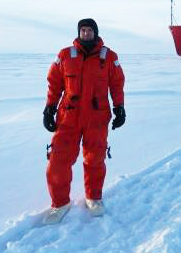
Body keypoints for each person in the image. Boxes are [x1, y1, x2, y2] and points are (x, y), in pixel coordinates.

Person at [42, 18, 125, 224]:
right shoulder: (65, 55)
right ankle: (60, 203)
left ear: (96, 33)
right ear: (79, 33)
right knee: (58, 160)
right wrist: (49, 109)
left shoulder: (109, 56)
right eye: (83, 30)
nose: (86, 34)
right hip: (68, 118)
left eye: (89, 31)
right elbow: (54, 83)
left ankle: (94, 198)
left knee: (95, 159)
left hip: (96, 118)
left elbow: (117, 83)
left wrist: (119, 107)